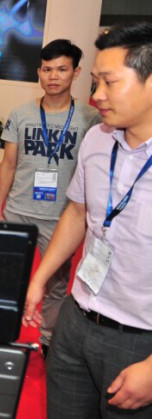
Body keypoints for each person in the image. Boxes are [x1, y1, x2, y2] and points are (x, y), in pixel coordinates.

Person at [23, 22, 152, 416]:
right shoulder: (97, 139)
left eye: (110, 83)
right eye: (95, 82)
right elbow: (78, 212)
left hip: (139, 341)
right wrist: (40, 279)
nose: (97, 96)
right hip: (76, 318)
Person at [0, 39, 100, 354]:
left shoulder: (90, 119)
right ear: (38, 72)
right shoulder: (21, 114)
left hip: (61, 218)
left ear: (76, 72)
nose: (53, 76)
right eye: (47, 69)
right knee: (5, 278)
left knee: (55, 287)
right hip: (18, 212)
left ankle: (49, 340)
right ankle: (0, 332)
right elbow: (9, 164)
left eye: (62, 69)